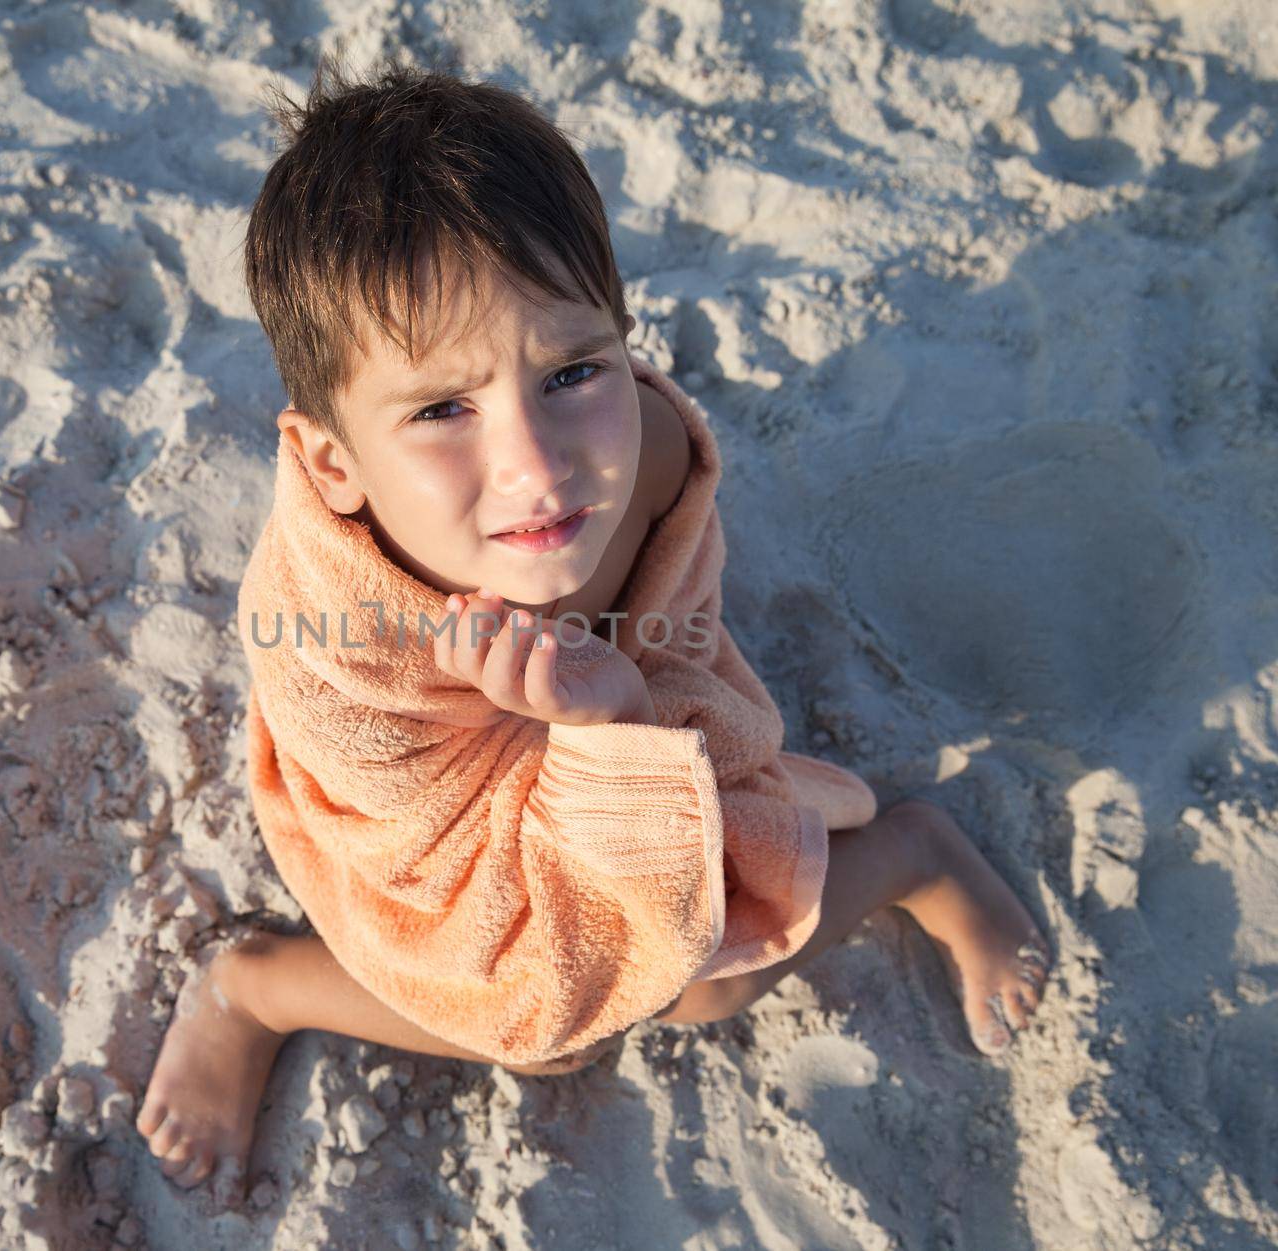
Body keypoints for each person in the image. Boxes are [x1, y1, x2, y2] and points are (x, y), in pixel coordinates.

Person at [135, 54, 1051, 1203]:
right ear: (334, 459)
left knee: (713, 970)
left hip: (597, 747)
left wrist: (621, 705)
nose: (538, 464)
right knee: (549, 1028)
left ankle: (917, 853)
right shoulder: (341, 642)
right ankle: (256, 986)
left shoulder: (650, 457)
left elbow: (683, 621)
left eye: (571, 370)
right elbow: (487, 922)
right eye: (442, 409)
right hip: (454, 827)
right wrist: (603, 740)